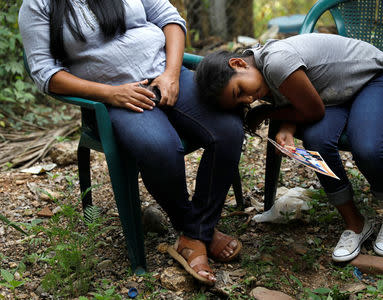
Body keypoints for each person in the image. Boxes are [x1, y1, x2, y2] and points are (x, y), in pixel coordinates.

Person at [19, 0, 244, 285]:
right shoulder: (38, 5)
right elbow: (44, 72)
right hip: (115, 97)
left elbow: (169, 18)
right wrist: (110, 94)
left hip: (166, 75)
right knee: (158, 148)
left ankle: (195, 234)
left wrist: (172, 74)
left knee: (228, 130)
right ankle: (195, 229)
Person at [195, 33, 383, 262]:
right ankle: (355, 223)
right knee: (316, 143)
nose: (248, 99)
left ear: (238, 63)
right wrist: (287, 128)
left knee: (367, 148)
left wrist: (266, 113)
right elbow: (295, 100)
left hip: (369, 80)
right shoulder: (259, 74)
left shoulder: (276, 63)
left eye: (240, 91)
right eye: (240, 101)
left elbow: (313, 111)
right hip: (331, 95)